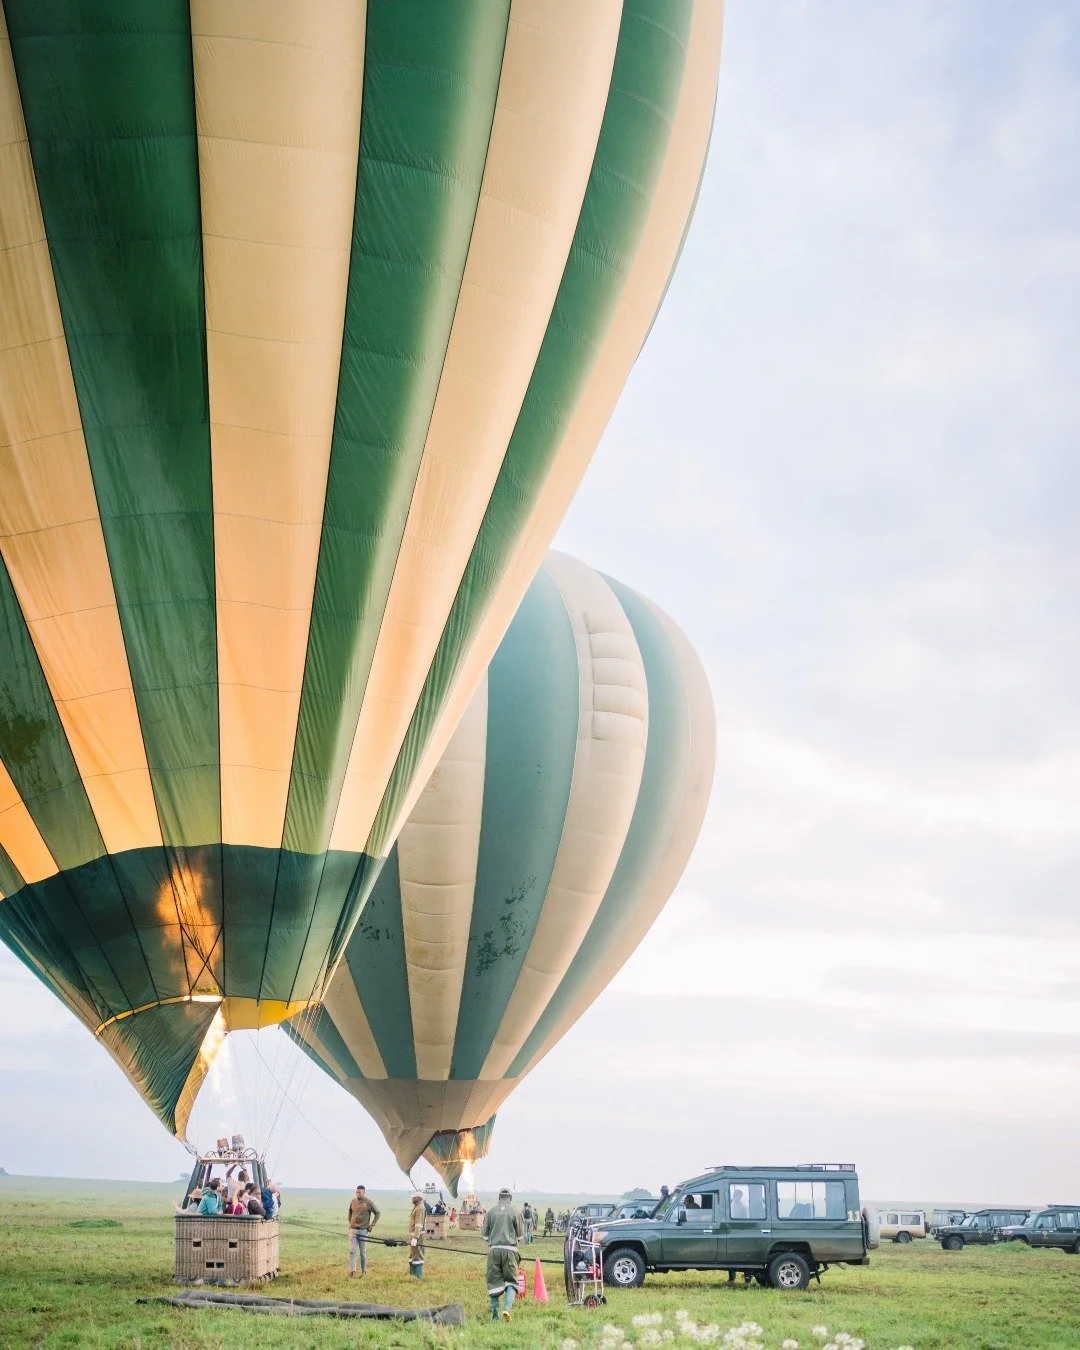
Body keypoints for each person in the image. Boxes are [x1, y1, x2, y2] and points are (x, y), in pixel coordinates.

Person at [482, 1187, 524, 1322]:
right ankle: (506, 1308)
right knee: (511, 1282)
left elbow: (484, 1235)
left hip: (493, 1251)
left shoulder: (490, 1212)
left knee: (494, 1282)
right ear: (510, 1198)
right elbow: (520, 1236)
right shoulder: (516, 1212)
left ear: (499, 1198)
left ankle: (494, 1317)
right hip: (510, 1251)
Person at [348, 1184, 381, 1277]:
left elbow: (377, 1213)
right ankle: (352, 1271)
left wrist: (372, 1225)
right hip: (353, 1230)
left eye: (359, 1192)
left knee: (362, 1252)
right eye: (356, 1192)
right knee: (352, 1251)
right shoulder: (353, 1201)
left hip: (363, 1231)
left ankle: (363, 1272)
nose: (357, 1194)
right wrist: (350, 1224)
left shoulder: (368, 1202)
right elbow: (350, 1213)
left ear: (364, 1192)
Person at [408, 1193, 426, 1279]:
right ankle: (412, 1275)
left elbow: (418, 1224)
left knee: (418, 1256)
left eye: (414, 1197)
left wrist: (415, 1238)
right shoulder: (417, 1207)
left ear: (418, 1198)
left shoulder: (420, 1208)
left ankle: (418, 1277)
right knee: (413, 1255)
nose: (412, 1199)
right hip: (413, 1236)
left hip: (417, 1237)